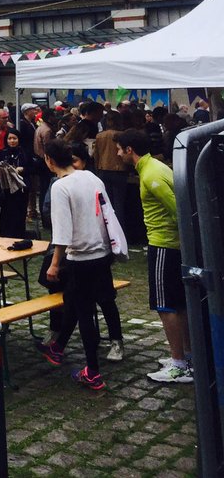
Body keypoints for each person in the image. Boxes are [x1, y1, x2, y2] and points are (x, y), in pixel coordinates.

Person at [37, 140, 116, 391]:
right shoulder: (91, 177)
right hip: (102, 252)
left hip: (80, 257)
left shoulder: (60, 186)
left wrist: (54, 264)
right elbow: (106, 213)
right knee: (72, 299)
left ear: (50, 160)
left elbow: (62, 231)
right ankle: (58, 347)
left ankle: (92, 371)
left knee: (84, 312)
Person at [116, 129, 192, 383]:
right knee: (178, 304)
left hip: (163, 246)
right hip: (171, 245)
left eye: (120, 149)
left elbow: (178, 210)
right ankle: (187, 357)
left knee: (165, 306)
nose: (118, 154)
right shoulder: (155, 167)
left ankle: (179, 364)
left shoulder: (151, 174)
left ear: (129, 150)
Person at [0, 129, 30, 238]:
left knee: (19, 215)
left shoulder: (24, 153)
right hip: (6, 189)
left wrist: (22, 169)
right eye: (10, 138)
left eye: (14, 138)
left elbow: (31, 168)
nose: (12, 141)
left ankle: (19, 236)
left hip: (21, 189)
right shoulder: (1, 153)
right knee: (6, 215)